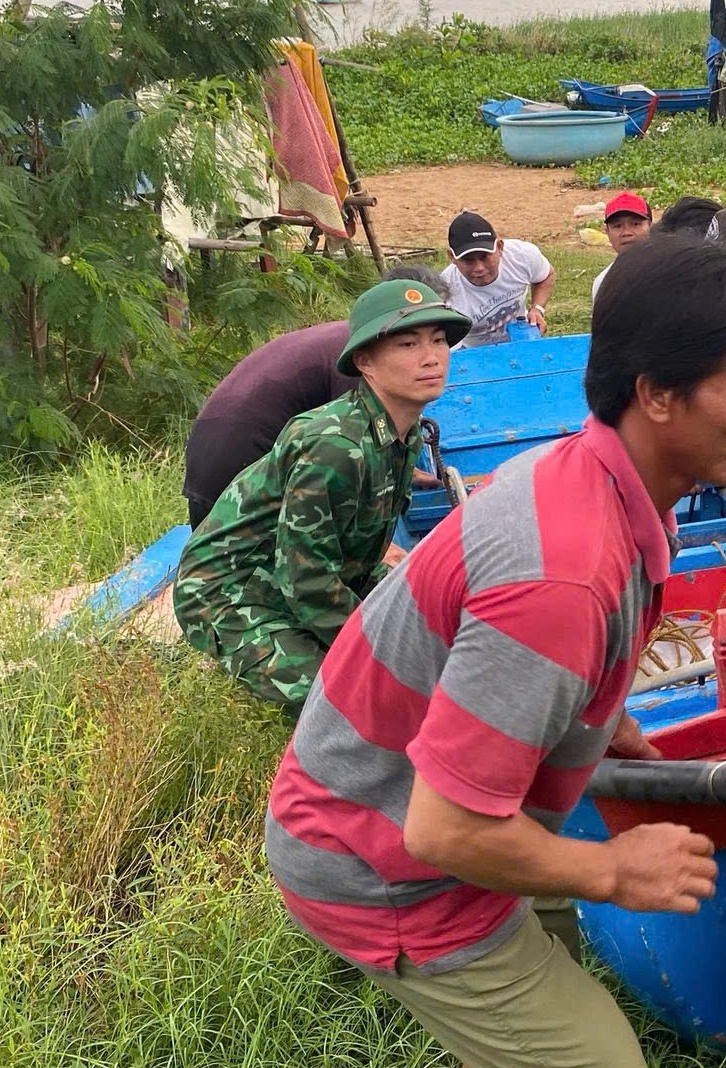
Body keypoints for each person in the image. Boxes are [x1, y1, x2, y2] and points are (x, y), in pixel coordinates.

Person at [263, 236, 726, 1068]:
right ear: (656, 393)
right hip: (376, 855)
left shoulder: (596, 481)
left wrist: (617, 736)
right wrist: (612, 871)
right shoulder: (562, 574)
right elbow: (441, 831)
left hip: (413, 805)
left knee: (546, 943)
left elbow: (553, 685)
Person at [174, 278, 469, 712]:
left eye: (439, 340)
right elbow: (306, 582)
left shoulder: (400, 437)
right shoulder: (336, 445)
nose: (431, 358)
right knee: (348, 703)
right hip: (228, 591)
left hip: (300, 576)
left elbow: (358, 551)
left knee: (435, 622)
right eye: (408, 345)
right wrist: (382, 657)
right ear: (365, 362)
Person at [181, 265, 452, 526]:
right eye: (411, 339)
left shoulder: (355, 339)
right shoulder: (364, 359)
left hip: (213, 448)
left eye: (438, 335)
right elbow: (353, 459)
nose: (429, 352)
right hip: (239, 466)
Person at [442, 210, 554, 346]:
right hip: (472, 351)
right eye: (468, 260)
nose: (479, 268)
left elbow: (545, 275)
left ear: (500, 247)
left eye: (484, 257)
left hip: (519, 340)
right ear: (452, 257)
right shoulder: (444, 293)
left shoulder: (522, 256)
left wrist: (537, 309)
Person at [590, 192, 651, 300]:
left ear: (651, 227)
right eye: (617, 226)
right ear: (607, 232)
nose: (626, 232)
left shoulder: (672, 272)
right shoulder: (603, 283)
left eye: (635, 224)